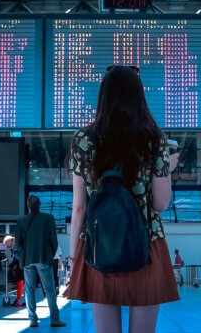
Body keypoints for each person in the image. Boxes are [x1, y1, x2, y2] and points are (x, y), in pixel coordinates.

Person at [63, 65, 180, 333]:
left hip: (98, 245)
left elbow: (79, 207)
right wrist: (166, 170)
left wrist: (73, 257)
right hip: (147, 245)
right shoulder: (154, 140)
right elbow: (161, 205)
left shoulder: (84, 139)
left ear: (103, 96)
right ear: (138, 96)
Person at [16, 195, 66, 328]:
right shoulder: (48, 218)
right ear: (40, 205)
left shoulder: (21, 221)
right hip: (44, 258)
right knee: (49, 290)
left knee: (29, 290)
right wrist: (49, 253)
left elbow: (17, 244)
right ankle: (54, 320)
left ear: (28, 206)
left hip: (27, 260)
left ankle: (32, 320)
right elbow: (54, 241)